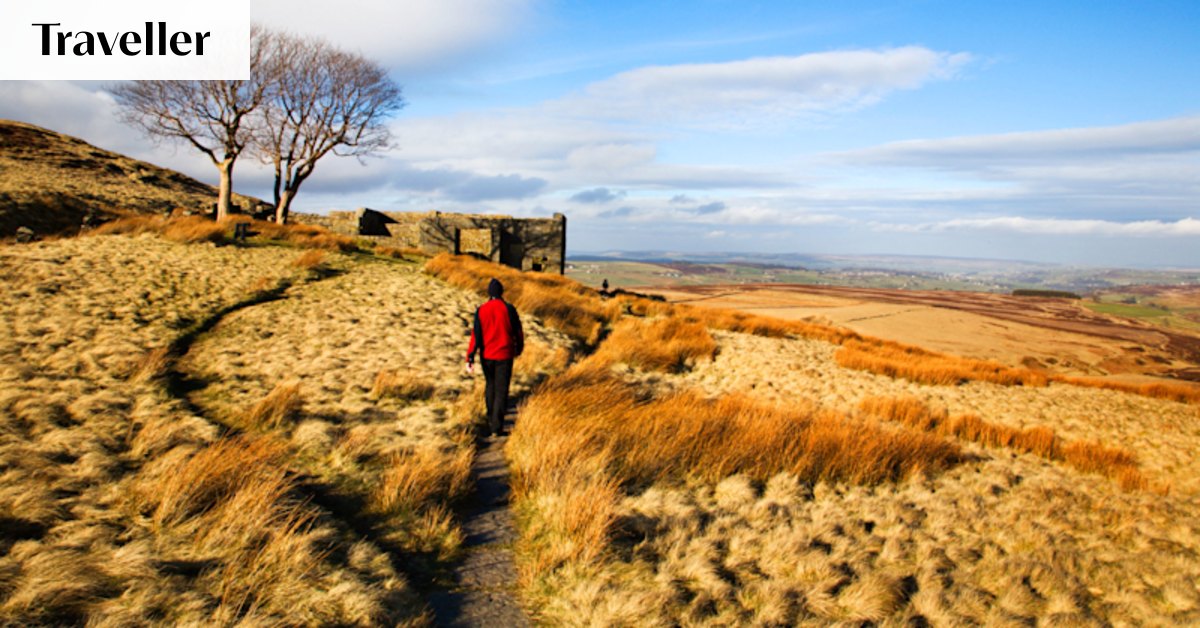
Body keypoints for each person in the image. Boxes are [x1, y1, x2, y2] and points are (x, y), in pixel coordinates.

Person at [466, 278, 524, 437]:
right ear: (501, 292)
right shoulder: (509, 309)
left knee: (490, 385)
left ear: (489, 293)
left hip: (487, 355)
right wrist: (519, 347)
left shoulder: (481, 310)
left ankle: (491, 418)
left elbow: (476, 335)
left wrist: (470, 357)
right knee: (501, 389)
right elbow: (517, 331)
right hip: (505, 354)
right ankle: (496, 427)